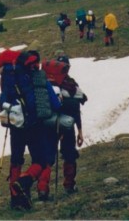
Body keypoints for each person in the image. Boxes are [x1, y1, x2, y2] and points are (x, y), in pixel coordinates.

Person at [8, 50, 62, 208]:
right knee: (40, 160)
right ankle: (24, 182)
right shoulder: (39, 78)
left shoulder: (11, 77)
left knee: (16, 160)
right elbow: (55, 103)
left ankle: (15, 198)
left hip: (15, 125)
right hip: (34, 125)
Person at [53, 53, 87, 194]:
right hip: (68, 126)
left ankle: (43, 189)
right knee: (70, 155)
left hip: (51, 124)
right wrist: (79, 130)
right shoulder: (72, 84)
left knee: (47, 156)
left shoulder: (49, 84)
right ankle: (69, 185)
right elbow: (76, 109)